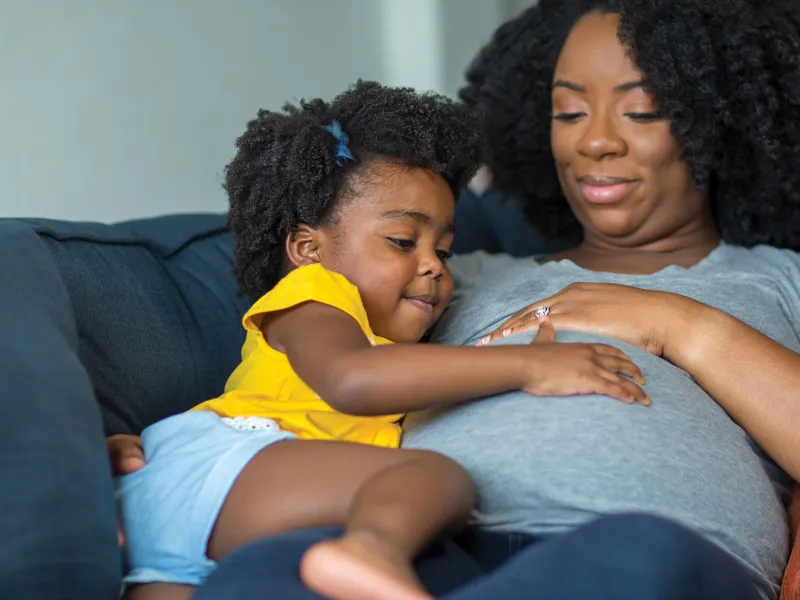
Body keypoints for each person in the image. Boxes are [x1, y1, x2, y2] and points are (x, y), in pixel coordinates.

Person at [109, 1, 800, 599]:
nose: (594, 140)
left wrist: (682, 325)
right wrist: (160, 466)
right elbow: (301, 382)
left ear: (720, 120)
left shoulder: (779, 279)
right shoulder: (435, 272)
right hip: (424, 552)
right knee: (274, 571)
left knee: (640, 558)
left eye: (642, 108)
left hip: (641, 553)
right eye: (567, 111)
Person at [117, 80, 650, 600]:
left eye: (443, 251)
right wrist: (528, 367)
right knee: (433, 476)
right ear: (307, 247)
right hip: (225, 464)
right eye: (402, 241)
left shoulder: (387, 339)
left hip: (193, 534)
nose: (434, 268)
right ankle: (373, 549)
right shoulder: (313, 296)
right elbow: (352, 381)